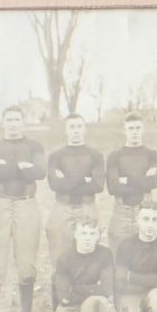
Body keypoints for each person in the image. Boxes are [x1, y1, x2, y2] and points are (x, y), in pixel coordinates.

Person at [0, 105, 46, 312]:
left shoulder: (35, 146)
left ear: (23, 122)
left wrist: (8, 168)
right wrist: (22, 167)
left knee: (27, 266)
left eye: (17, 119)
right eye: (8, 119)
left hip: (27, 204)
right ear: (3, 123)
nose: (13, 124)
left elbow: (40, 172)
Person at [49, 218, 116, 312]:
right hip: (73, 304)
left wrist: (77, 289)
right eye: (83, 233)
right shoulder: (65, 258)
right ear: (76, 235)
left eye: (92, 234)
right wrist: (93, 288)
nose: (88, 238)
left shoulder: (105, 253)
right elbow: (64, 297)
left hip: (93, 301)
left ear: (98, 235)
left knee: (98, 307)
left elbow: (106, 288)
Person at [46, 112, 105, 268]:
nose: (76, 130)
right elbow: (55, 185)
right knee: (59, 257)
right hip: (62, 208)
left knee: (88, 258)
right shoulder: (55, 156)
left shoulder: (95, 155)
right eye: (72, 127)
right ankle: (59, 291)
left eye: (79, 126)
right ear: (66, 130)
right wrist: (84, 179)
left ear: (85, 129)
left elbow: (98, 185)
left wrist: (67, 178)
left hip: (87, 208)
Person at [106, 112, 157, 255]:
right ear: (124, 131)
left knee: (144, 257)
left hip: (144, 210)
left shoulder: (151, 154)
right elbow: (113, 187)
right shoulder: (114, 156)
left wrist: (126, 180)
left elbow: (154, 182)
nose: (134, 132)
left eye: (137, 128)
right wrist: (143, 179)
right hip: (121, 212)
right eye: (131, 129)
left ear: (142, 129)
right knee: (118, 257)